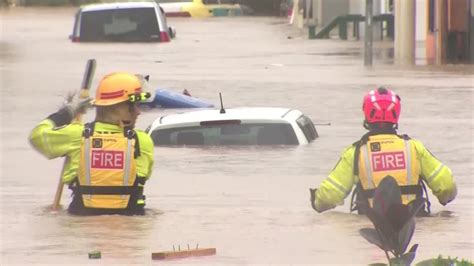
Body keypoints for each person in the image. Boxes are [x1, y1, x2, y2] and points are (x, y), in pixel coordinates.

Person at [309, 87, 457, 215]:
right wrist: (446, 199)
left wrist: (316, 201)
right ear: (396, 114)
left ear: (366, 113)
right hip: (412, 225)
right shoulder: (414, 148)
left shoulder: (356, 153)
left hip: (374, 227)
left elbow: (329, 196)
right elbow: (447, 185)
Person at [29, 72, 154, 216]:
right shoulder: (142, 141)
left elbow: (37, 135)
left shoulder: (76, 136)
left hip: (81, 226)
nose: (138, 112)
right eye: (134, 105)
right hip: (131, 228)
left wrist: (66, 113)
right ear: (117, 107)